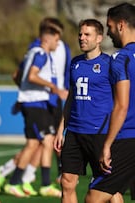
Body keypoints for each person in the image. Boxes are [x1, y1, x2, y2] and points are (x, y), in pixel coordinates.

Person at [0, 17, 71, 195]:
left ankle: (35, 180)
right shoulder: (39, 51)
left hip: (50, 101)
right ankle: (10, 176)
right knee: (36, 142)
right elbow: (26, 75)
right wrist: (30, 94)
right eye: (57, 37)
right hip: (39, 101)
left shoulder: (60, 49)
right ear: (48, 36)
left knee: (46, 141)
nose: (59, 42)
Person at [53, 18, 123, 203]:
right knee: (67, 182)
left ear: (99, 38)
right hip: (75, 132)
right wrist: (61, 129)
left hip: (100, 133)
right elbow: (70, 98)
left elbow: (121, 100)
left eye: (87, 34)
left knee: (109, 187)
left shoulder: (110, 64)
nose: (82, 38)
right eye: (80, 34)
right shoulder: (75, 63)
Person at [85, 3, 135, 202]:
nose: (108, 33)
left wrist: (107, 145)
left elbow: (121, 106)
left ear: (121, 25)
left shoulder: (120, 58)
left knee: (93, 198)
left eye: (110, 27)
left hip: (127, 138)